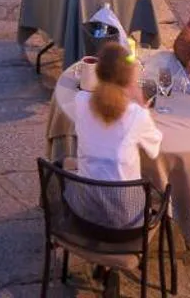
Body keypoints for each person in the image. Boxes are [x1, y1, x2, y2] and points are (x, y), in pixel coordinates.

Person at [63, 40, 162, 230]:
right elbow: (154, 150)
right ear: (130, 80)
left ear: (98, 72)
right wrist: (142, 107)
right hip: (125, 221)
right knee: (162, 193)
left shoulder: (81, 101)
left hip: (84, 211)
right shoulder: (136, 115)